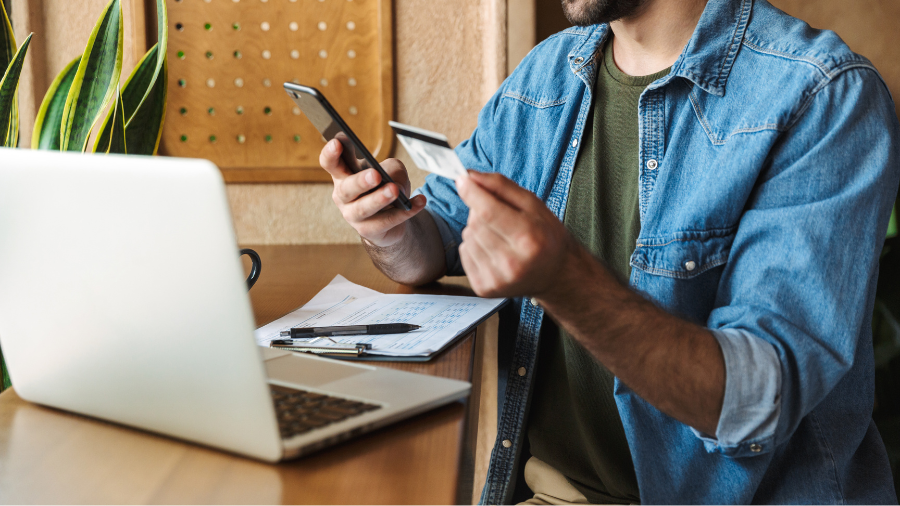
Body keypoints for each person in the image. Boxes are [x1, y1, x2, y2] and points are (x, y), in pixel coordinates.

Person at [318, 0, 900, 502]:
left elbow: (758, 401)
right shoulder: (548, 73)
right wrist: (390, 227)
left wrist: (565, 279)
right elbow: (437, 240)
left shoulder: (825, 96)